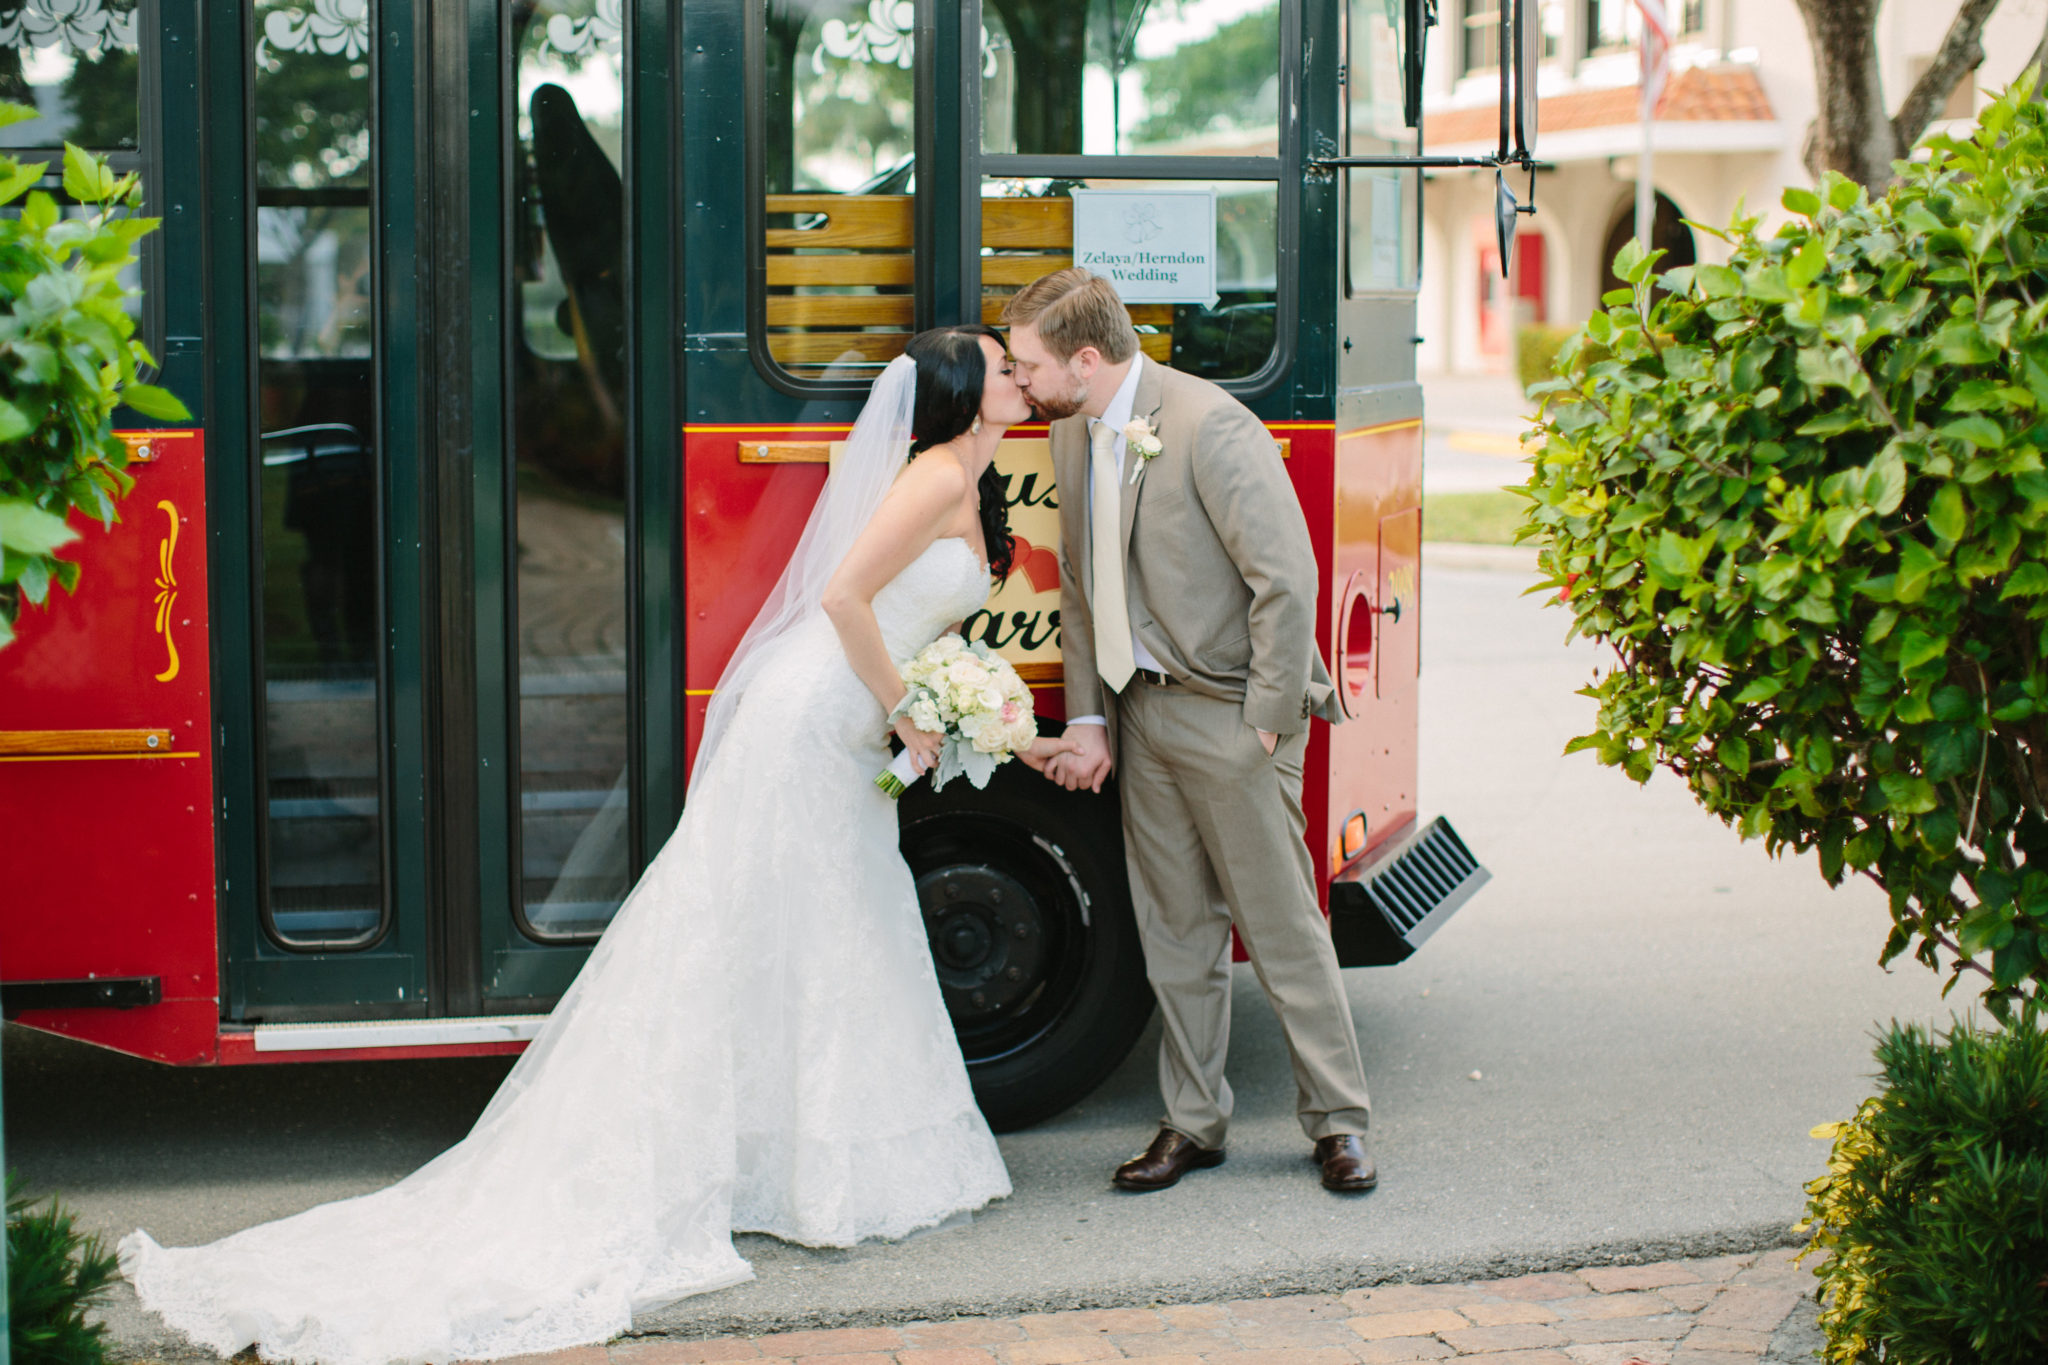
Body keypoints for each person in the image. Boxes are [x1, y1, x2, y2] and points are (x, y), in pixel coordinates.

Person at [118, 325, 1078, 1365]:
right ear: (959, 393)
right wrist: (908, 705)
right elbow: (845, 598)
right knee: (776, 918)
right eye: (1000, 368)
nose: (1017, 380)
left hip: (852, 719)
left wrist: (951, 709)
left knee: (830, 923)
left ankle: (810, 1164)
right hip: (816, 715)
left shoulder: (971, 475)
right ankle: (773, 1165)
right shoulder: (933, 473)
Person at [1001, 270, 1377, 1196]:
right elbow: (1084, 588)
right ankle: (1194, 1121)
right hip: (1140, 716)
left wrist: (1264, 726)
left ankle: (1339, 1122)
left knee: (1282, 927)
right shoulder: (1068, 429)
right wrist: (1091, 717)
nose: (1019, 382)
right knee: (1174, 932)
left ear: (1086, 361)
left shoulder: (1213, 425)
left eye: (1029, 365)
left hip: (1228, 715)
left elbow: (1286, 583)